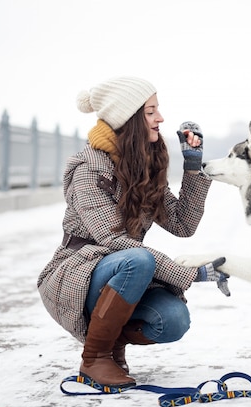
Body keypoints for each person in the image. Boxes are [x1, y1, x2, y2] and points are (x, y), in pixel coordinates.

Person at [37, 76, 229, 389]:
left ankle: (113, 346)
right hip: (79, 273)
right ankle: (94, 358)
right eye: (151, 111)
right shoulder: (88, 168)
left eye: (158, 110)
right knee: (137, 259)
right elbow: (113, 242)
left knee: (174, 320)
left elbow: (183, 224)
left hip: (124, 270)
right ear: (129, 118)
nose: (161, 118)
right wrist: (189, 274)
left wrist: (193, 167)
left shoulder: (143, 165)